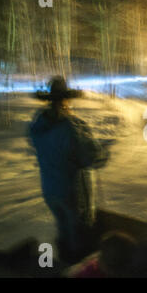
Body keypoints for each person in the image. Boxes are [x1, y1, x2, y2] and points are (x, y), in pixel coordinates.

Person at [29, 76, 109, 263]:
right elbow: (92, 157)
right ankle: (75, 266)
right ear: (65, 100)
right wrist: (102, 151)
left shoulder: (38, 127)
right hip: (70, 191)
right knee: (77, 235)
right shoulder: (70, 128)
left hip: (49, 190)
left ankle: (64, 262)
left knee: (62, 228)